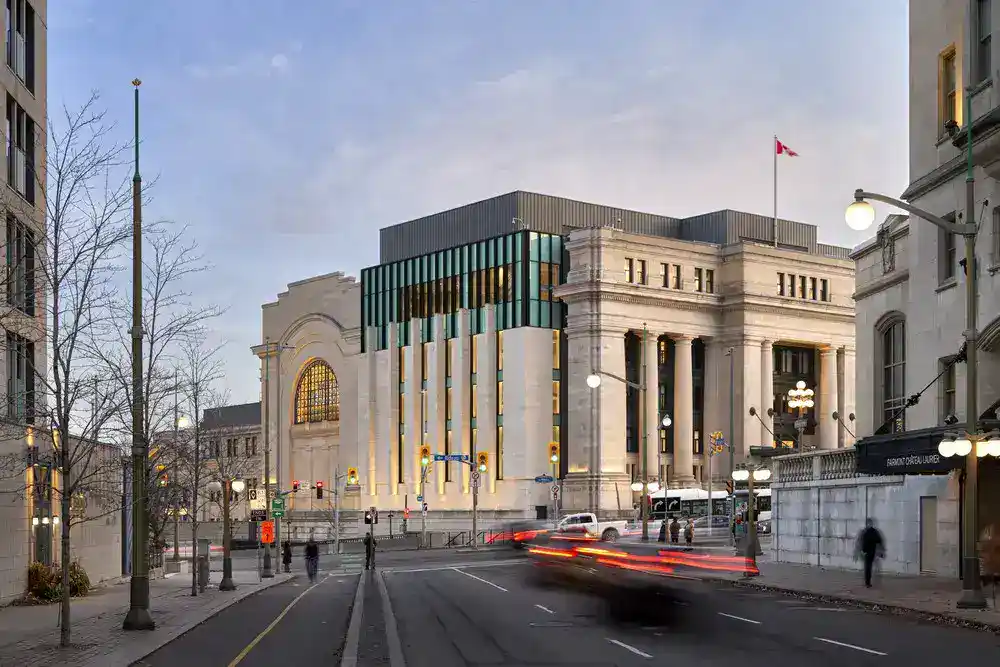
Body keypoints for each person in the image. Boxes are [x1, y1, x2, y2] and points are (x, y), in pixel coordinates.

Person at [855, 518, 885, 588]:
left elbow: (860, 541)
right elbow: (879, 541)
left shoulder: (866, 531)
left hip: (869, 551)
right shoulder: (872, 531)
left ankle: (867, 581)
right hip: (869, 551)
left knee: (868, 566)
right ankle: (868, 581)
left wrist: (859, 550)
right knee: (868, 566)